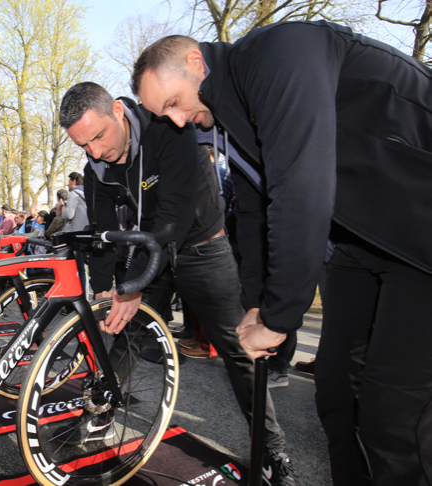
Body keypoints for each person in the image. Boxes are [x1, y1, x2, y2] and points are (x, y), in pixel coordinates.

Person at [132, 22, 432, 486]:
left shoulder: (281, 53)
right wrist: (258, 302)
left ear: (196, 62)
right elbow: (255, 211)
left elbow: (302, 188)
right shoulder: (234, 116)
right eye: (162, 115)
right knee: (335, 392)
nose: (176, 120)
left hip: (420, 233)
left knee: (394, 410)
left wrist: (280, 314)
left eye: (172, 103)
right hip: (365, 240)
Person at [59, 81, 295, 485]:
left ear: (117, 110)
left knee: (238, 348)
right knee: (126, 336)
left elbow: (175, 215)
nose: (96, 153)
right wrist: (103, 291)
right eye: (84, 147)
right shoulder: (96, 164)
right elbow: (100, 232)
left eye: (98, 137)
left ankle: (272, 450)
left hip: (202, 245)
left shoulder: (167, 128)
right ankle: (98, 416)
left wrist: (132, 287)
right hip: (152, 248)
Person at [62, 172, 89, 290]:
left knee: (76, 268)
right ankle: (85, 296)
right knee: (83, 269)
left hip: (75, 235)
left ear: (74, 181)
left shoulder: (74, 194)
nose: (67, 184)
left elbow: (69, 214)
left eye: (69, 181)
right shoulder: (88, 193)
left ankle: (78, 296)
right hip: (87, 233)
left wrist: (63, 211)